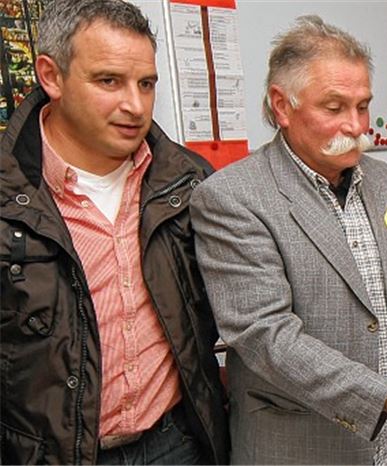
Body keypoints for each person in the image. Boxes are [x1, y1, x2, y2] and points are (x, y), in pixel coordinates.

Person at [189, 16, 387, 465]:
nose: (356, 125)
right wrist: (382, 396)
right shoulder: (233, 198)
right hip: (305, 447)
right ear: (282, 106)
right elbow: (267, 336)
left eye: (363, 106)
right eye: (334, 108)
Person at [0, 0, 228, 464]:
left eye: (146, 84)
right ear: (51, 76)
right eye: (109, 81)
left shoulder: (186, 181)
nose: (135, 105)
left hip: (175, 443)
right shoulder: (10, 194)